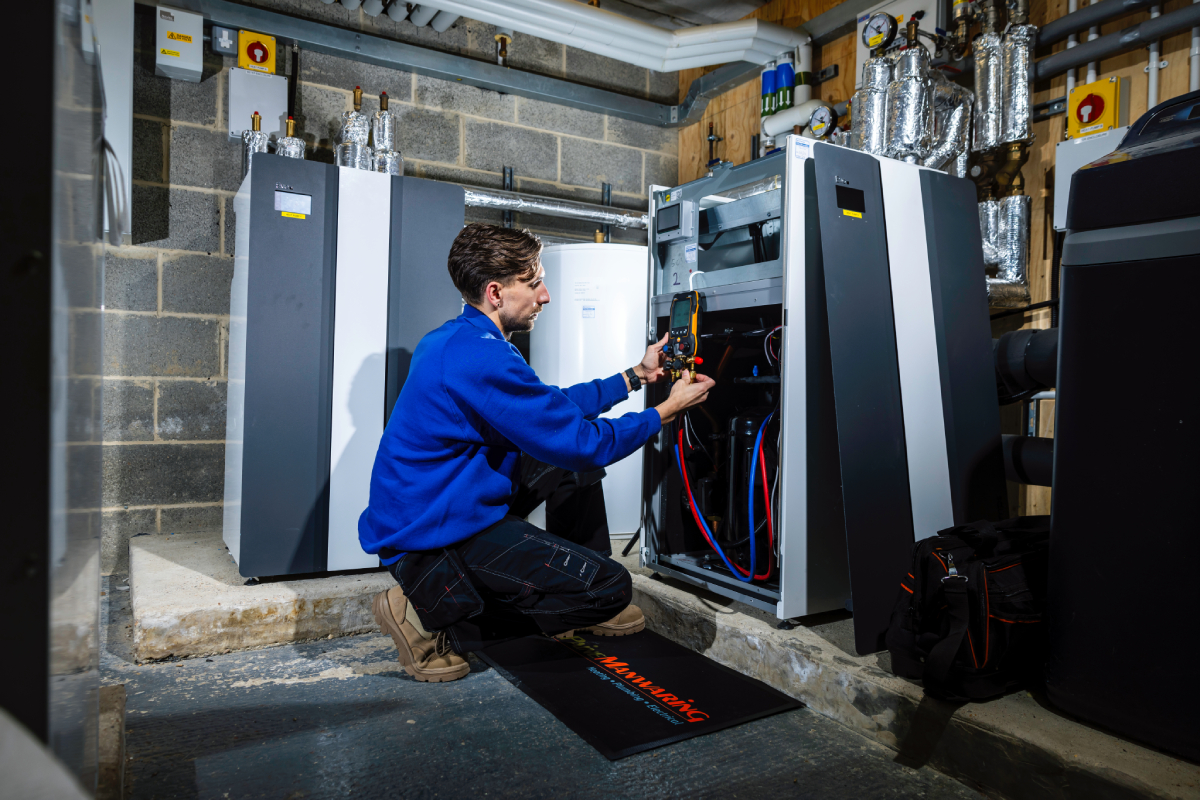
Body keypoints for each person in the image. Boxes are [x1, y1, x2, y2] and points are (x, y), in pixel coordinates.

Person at [361, 223, 714, 682]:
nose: (545, 296)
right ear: (495, 292)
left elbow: (550, 411)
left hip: (450, 505)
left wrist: (636, 376)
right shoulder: (480, 356)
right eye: (533, 284)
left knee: (560, 461)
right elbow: (585, 445)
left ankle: (576, 585)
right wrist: (663, 413)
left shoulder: (459, 338)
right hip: (431, 538)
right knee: (611, 588)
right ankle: (430, 612)